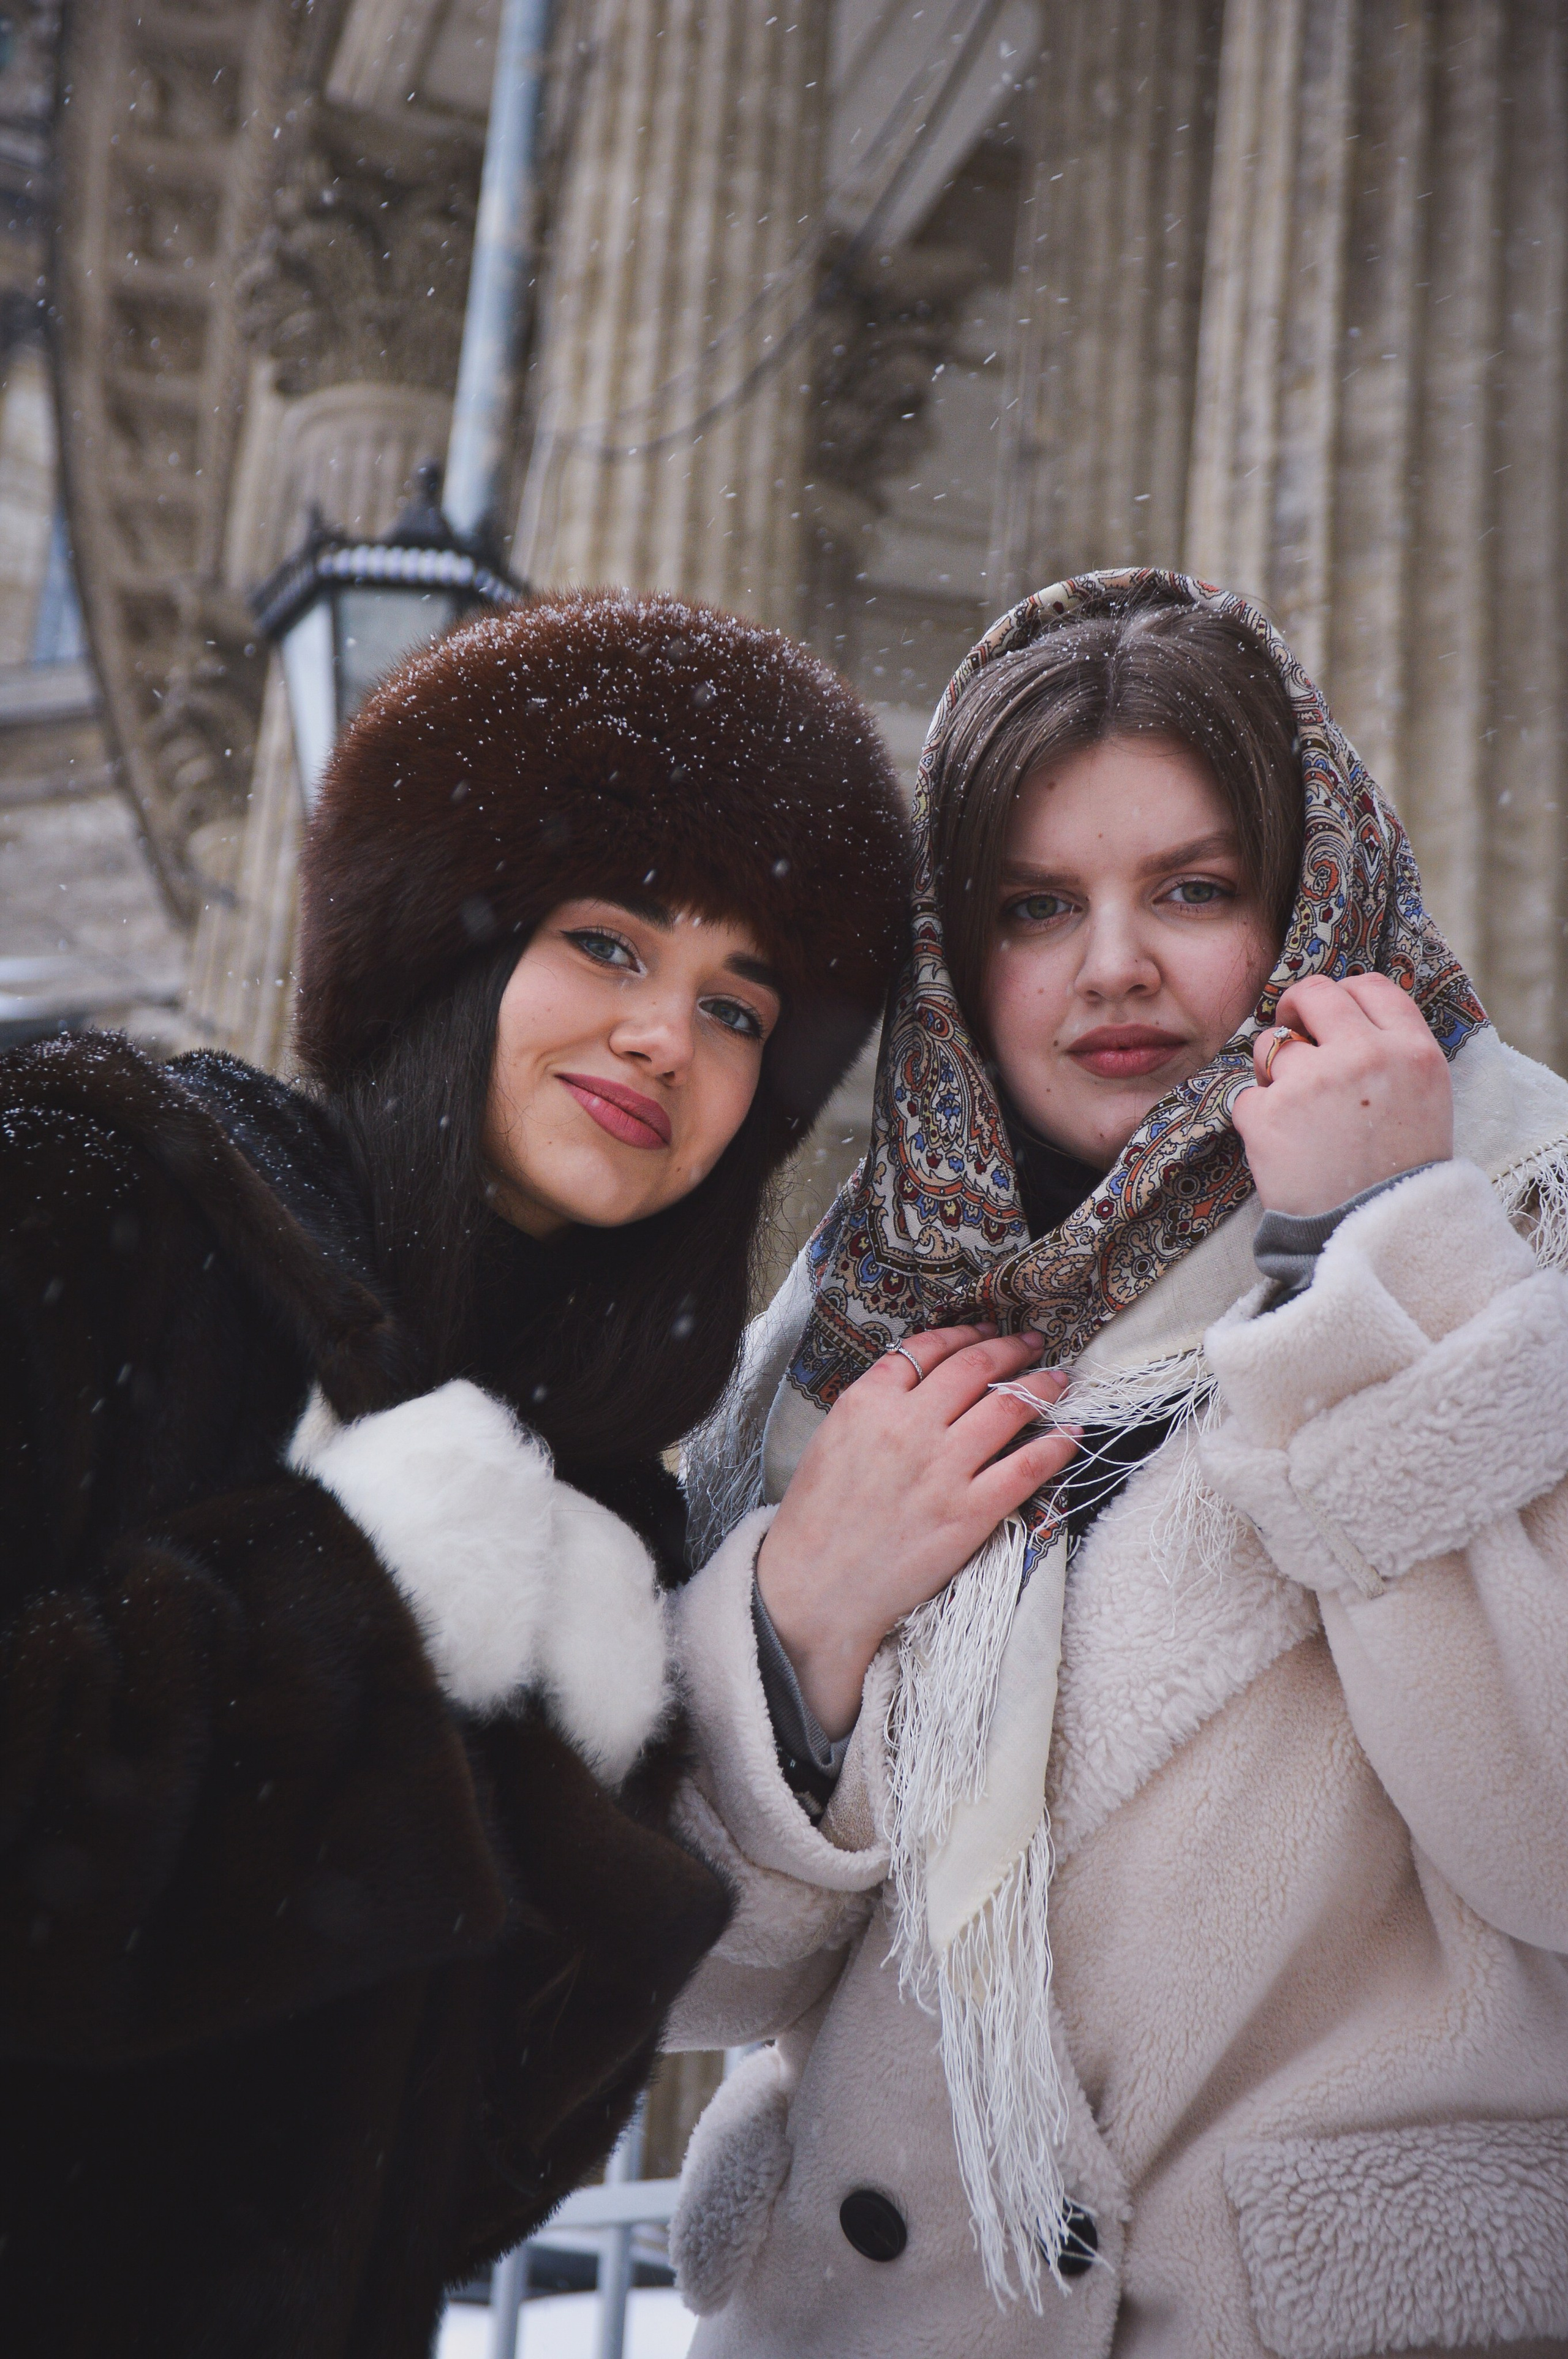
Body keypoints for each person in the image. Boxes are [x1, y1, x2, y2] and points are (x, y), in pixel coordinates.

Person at [666, 569, 1568, 2358]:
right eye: (1034, 905)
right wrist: (794, 1633)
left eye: (1194, 890)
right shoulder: (853, 1315)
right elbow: (689, 1973)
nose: (1113, 967)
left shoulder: (1519, 1220)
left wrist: (1377, 1257)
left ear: (1315, 901)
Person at [0, 591, 908, 2359]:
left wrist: (616, 1782)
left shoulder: (599, 1525)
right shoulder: (94, 1198)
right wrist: (353, 1587)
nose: (669, 1033)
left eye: (739, 1004)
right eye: (614, 941)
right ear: (451, 948)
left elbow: (468, 2176)